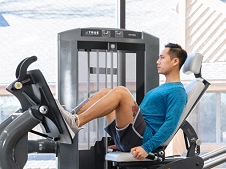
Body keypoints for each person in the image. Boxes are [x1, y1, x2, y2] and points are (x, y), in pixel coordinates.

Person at [57, 43, 189, 161]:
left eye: (162, 57)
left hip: (143, 137)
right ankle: (71, 116)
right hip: (134, 135)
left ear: (175, 61)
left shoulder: (177, 91)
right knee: (106, 92)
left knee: (121, 92)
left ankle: (75, 122)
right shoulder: (163, 88)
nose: (157, 61)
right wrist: (122, 140)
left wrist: (146, 148)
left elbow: (170, 124)